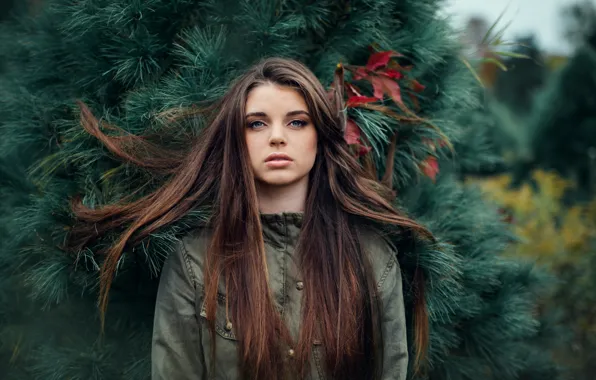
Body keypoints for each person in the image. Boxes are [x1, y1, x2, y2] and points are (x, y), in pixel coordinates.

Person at [68, 57, 433, 379]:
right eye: (257, 124)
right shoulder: (196, 260)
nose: (277, 137)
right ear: (237, 139)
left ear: (320, 137)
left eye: (297, 122)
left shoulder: (371, 258)